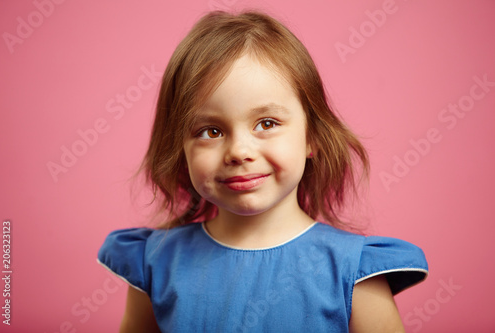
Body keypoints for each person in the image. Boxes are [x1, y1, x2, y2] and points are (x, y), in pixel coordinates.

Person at [98, 10, 428, 332]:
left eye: (266, 123)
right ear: (179, 147)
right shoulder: (154, 264)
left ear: (311, 136)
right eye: (210, 131)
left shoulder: (355, 273)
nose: (239, 152)